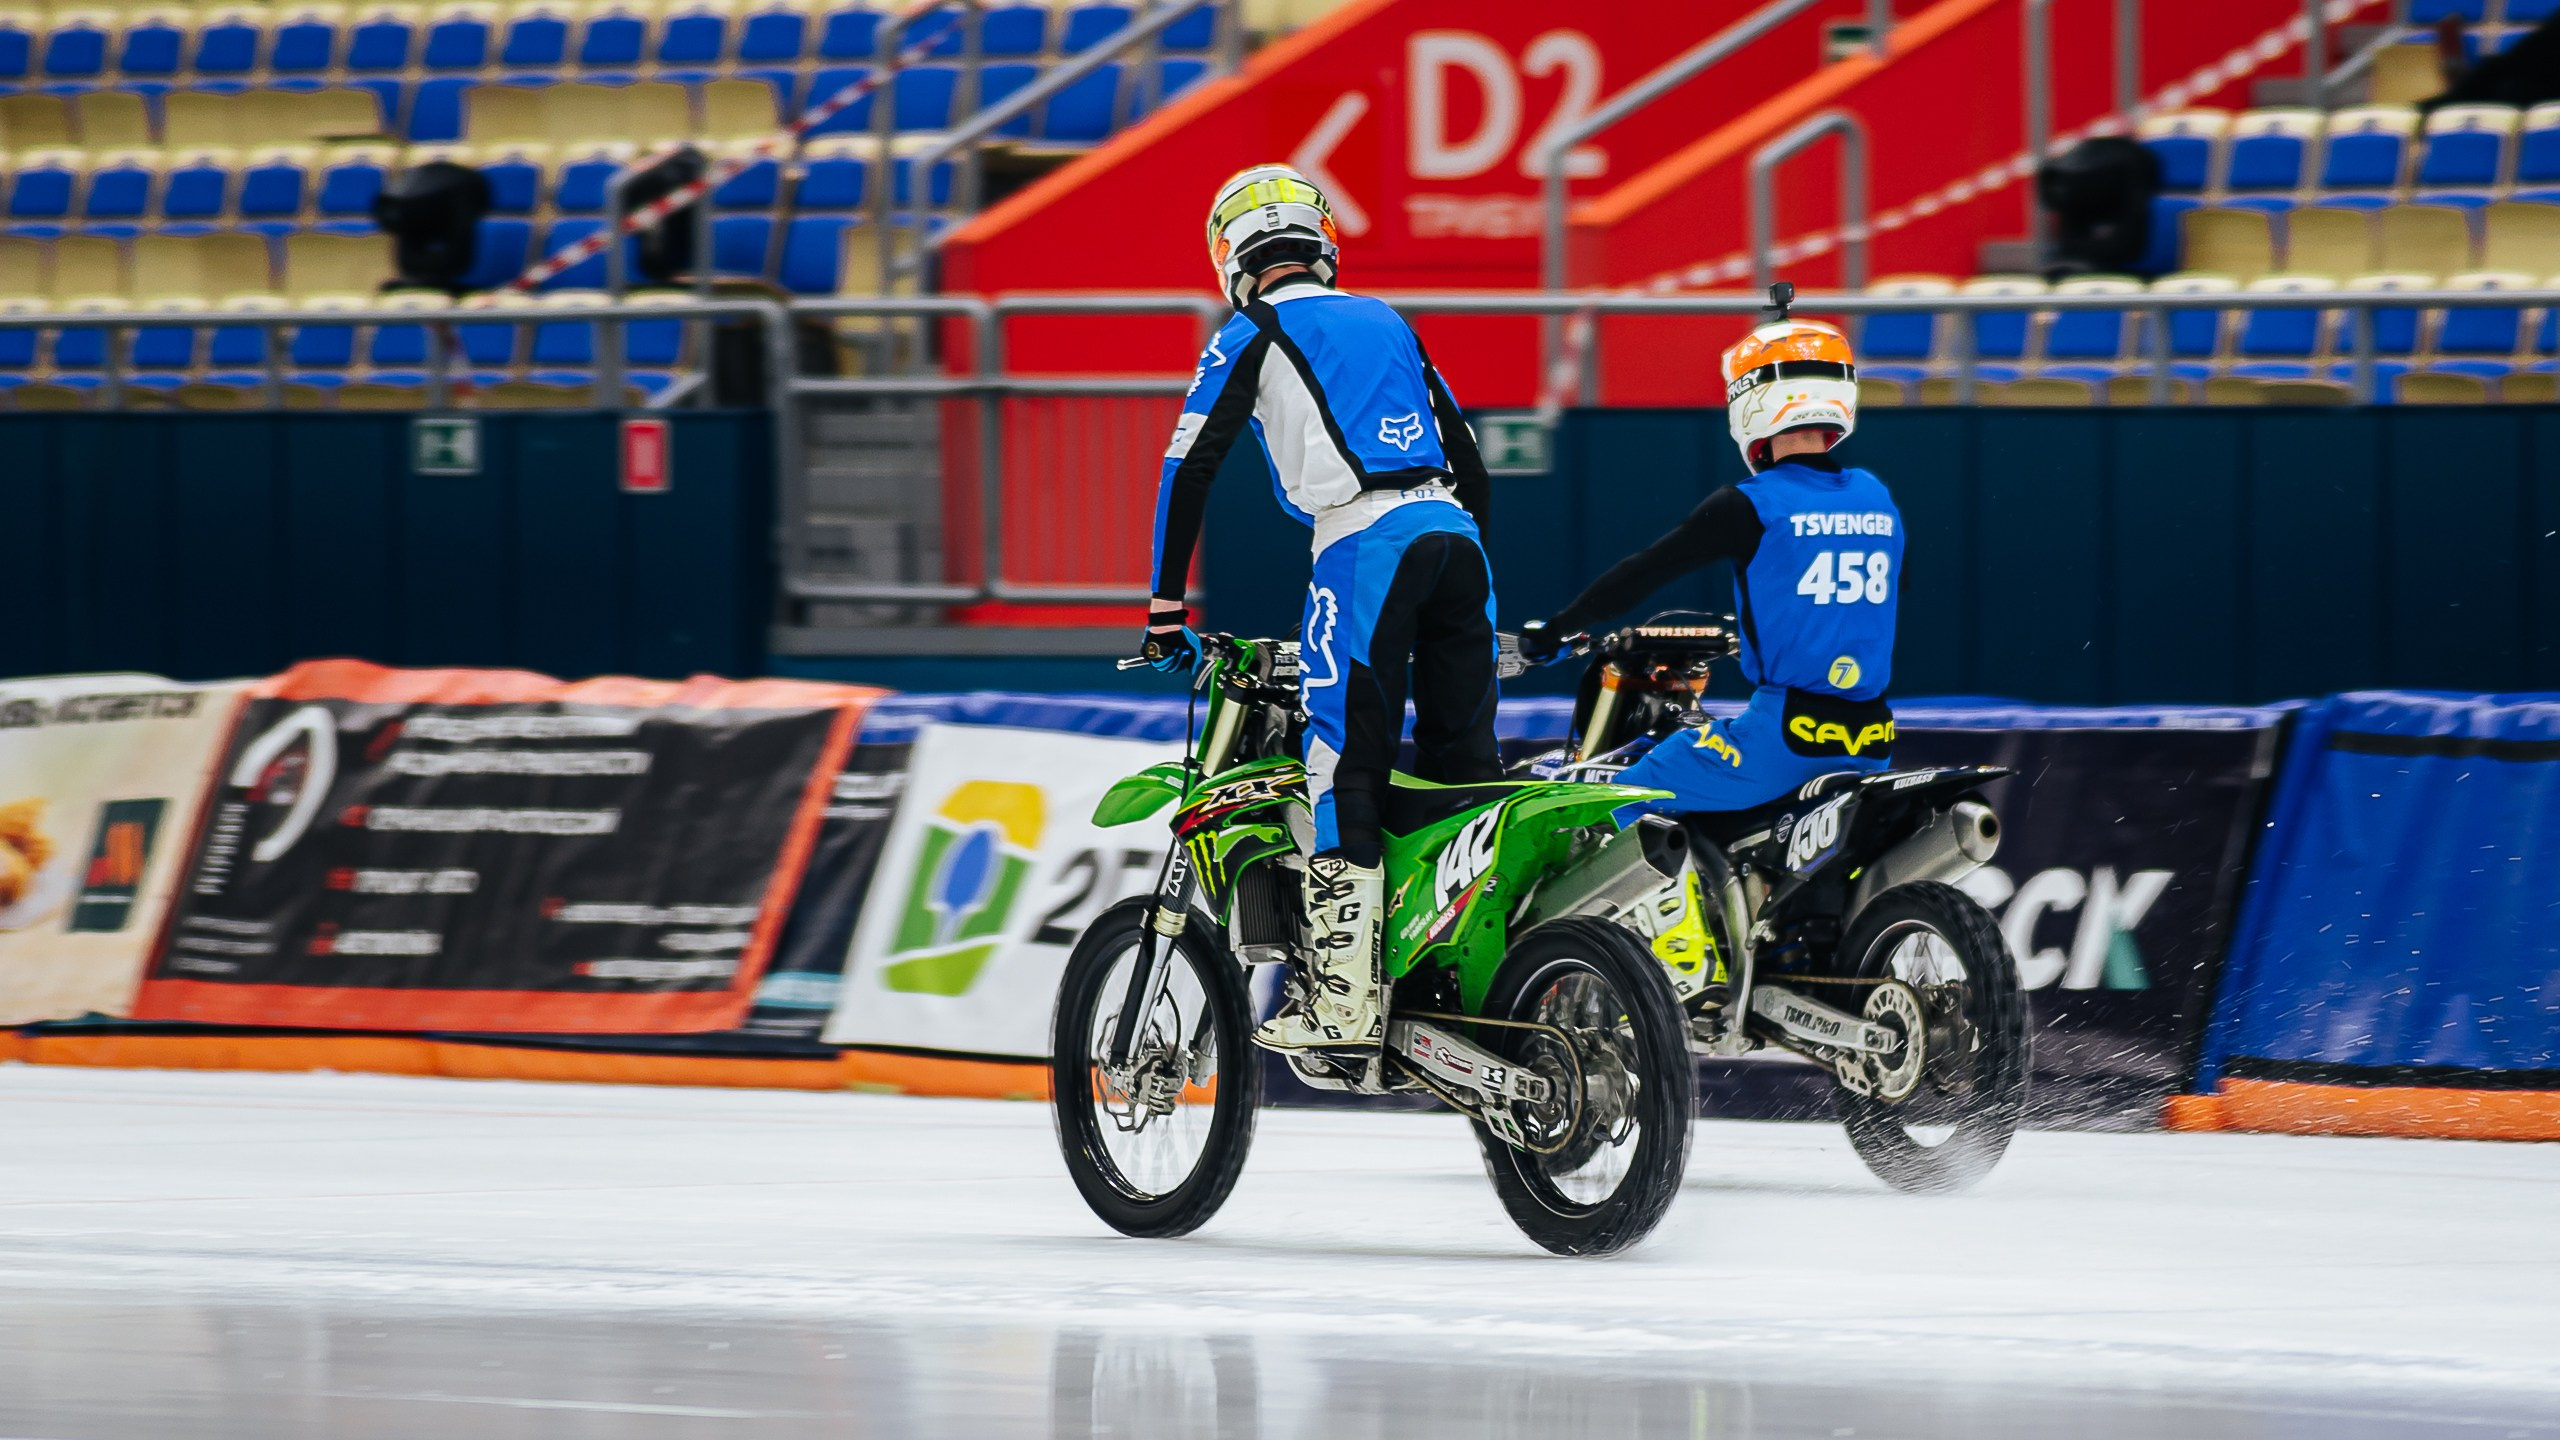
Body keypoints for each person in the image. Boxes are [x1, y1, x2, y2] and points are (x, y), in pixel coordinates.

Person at [1141, 163, 1499, 1060]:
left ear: (1232, 257)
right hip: (1456, 535)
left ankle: (1343, 999)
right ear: (1322, 242)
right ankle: (1474, 969)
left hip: (1363, 542)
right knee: (1465, 760)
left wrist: (1161, 608)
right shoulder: (1388, 318)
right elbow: (1470, 456)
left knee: (1344, 760)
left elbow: (1187, 467)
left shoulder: (1249, 328)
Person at [1517, 294, 1902, 822]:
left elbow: (1643, 573)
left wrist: (1558, 629)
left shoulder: (1753, 502)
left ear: (1750, 401)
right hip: (1874, 739)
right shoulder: (1875, 496)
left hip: (1781, 739)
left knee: (1607, 802)